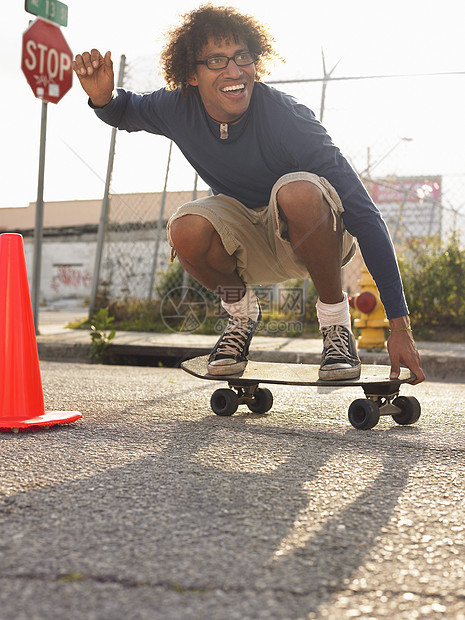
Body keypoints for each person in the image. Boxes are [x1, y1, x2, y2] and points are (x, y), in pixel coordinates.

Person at [73, 4, 424, 384]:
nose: (235, 71)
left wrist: (399, 325)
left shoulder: (288, 118)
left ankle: (336, 326)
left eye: (243, 56)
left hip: (312, 239)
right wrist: (103, 99)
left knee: (299, 191)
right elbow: (126, 111)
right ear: (191, 73)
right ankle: (241, 315)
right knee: (186, 227)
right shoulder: (177, 107)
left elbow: (364, 213)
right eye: (217, 61)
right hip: (246, 246)